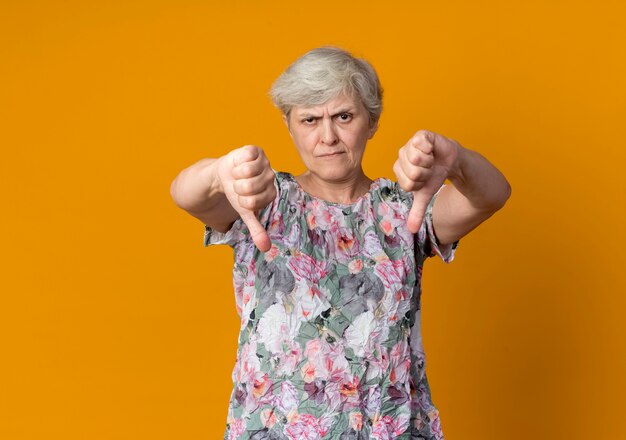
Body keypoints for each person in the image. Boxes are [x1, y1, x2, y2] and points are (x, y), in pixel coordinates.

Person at [170, 46, 511, 440]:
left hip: (389, 427)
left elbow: (492, 195)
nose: (327, 137)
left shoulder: (404, 208)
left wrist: (458, 161)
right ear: (288, 124)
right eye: (310, 120)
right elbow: (186, 194)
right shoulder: (262, 200)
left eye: (343, 116)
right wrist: (217, 173)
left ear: (372, 120)